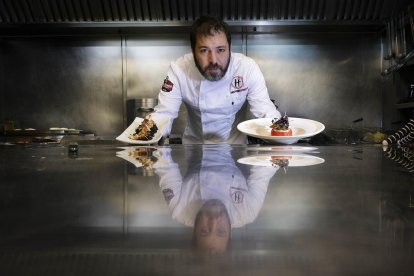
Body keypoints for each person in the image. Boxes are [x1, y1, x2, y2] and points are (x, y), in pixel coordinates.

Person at [151, 15, 281, 144]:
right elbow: (164, 114)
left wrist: (282, 133)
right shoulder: (179, 70)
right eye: (204, 50)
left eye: (220, 50)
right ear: (193, 51)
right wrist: (148, 137)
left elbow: (266, 112)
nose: (213, 60)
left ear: (230, 49)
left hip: (235, 153)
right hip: (194, 152)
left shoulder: (247, 68)